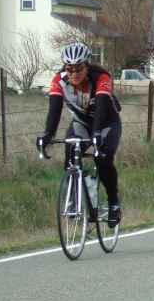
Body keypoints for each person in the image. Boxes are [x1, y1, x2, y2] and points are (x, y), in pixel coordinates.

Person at [36, 43, 123, 228]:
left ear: (87, 66)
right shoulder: (59, 81)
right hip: (82, 123)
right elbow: (55, 111)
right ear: (65, 68)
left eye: (79, 69)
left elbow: (100, 107)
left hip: (107, 122)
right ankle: (78, 191)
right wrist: (46, 136)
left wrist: (97, 134)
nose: (74, 73)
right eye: (70, 69)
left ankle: (114, 202)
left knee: (103, 157)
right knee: (70, 153)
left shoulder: (101, 77)